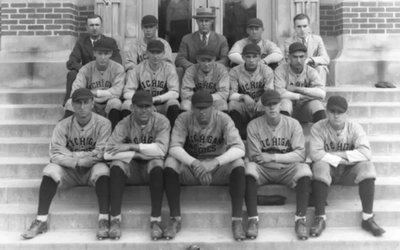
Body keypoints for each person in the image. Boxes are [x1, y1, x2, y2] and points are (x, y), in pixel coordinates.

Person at [21, 89, 112, 240]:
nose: (82, 107)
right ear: (72, 105)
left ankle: (103, 219)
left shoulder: (104, 123)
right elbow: (54, 154)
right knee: (50, 170)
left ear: (92, 103)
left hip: (92, 170)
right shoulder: (63, 125)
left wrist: (73, 156)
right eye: (78, 103)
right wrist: (77, 161)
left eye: (86, 102)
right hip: (70, 171)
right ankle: (41, 220)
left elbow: (102, 153)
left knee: (103, 170)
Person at [164, 90, 247, 241]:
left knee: (238, 163)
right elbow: (174, 147)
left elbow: (240, 148)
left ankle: (237, 221)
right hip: (192, 167)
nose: (202, 111)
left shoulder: (223, 118)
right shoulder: (183, 118)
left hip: (216, 169)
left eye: (206, 108)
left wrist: (214, 163)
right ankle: (175, 219)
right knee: (170, 162)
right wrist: (195, 163)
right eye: (198, 108)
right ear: (192, 108)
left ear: (213, 107)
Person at [309, 95, 386, 238]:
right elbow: (314, 154)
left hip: (348, 173)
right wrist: (345, 158)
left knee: (367, 167)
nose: (336, 115)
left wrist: (336, 155)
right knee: (319, 165)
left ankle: (367, 218)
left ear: (347, 114)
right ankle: (320, 218)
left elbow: (366, 153)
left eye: (340, 112)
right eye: (332, 111)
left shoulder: (354, 128)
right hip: (329, 172)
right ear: (326, 112)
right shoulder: (318, 127)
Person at [244, 89, 312, 240]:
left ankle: (300, 220)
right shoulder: (254, 125)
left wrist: (272, 157)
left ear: (281, 105)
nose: (272, 107)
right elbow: (256, 156)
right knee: (249, 169)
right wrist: (283, 158)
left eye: (275, 104)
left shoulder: (293, 124)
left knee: (304, 170)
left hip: (286, 169)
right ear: (263, 107)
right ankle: (252, 220)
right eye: (268, 105)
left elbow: (300, 154)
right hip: (264, 169)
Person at [104, 90, 171, 240]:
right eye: (140, 106)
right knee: (116, 164)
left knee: (157, 163)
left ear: (153, 107)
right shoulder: (124, 122)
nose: (144, 110)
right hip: (132, 167)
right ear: (132, 107)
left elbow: (161, 150)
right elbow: (107, 152)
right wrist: (137, 155)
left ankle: (156, 221)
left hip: (150, 168)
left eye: (147, 106)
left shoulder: (162, 121)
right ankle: (115, 219)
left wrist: (131, 147)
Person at [64, 39, 125, 130]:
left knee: (116, 103)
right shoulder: (85, 69)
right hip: (90, 101)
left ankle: (112, 137)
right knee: (70, 103)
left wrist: (95, 93)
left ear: (111, 54)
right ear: (94, 53)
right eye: (100, 53)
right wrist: (97, 96)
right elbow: (75, 92)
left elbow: (117, 91)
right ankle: (69, 135)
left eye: (106, 54)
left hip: (108, 101)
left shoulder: (118, 68)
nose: (103, 57)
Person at [64, 14, 122, 105]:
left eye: (97, 25)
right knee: (72, 74)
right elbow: (71, 62)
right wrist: (87, 70)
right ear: (86, 27)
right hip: (87, 77)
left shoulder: (110, 42)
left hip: (106, 77)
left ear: (101, 26)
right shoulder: (81, 42)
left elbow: (118, 62)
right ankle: (69, 105)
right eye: (91, 25)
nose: (95, 28)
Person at [122, 40, 180, 128]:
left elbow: (175, 93)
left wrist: (155, 99)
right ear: (147, 53)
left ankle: (172, 136)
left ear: (164, 53)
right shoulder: (138, 68)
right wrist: (144, 101)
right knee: (126, 104)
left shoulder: (169, 68)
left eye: (158, 52)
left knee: (173, 103)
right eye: (152, 52)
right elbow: (127, 93)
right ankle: (128, 136)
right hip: (142, 105)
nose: (155, 56)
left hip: (162, 104)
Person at [228, 43, 274, 139]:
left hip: (261, 105)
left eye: (254, 56)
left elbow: (269, 91)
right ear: (243, 57)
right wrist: (243, 96)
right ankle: (238, 136)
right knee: (233, 104)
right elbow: (231, 94)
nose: (251, 60)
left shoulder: (266, 70)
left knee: (272, 105)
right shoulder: (235, 71)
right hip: (245, 105)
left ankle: (267, 136)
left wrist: (261, 101)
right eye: (248, 57)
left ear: (260, 57)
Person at [274, 42, 326, 123]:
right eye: (295, 57)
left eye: (301, 57)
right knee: (285, 102)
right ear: (289, 57)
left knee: (317, 104)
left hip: (304, 110)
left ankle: (322, 134)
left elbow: (322, 93)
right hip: (287, 109)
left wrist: (297, 89)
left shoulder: (310, 71)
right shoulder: (281, 70)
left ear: (306, 57)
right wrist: (302, 97)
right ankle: (283, 134)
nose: (298, 60)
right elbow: (280, 93)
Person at [175, 7, 229, 72]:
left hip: (214, 74)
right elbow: (180, 59)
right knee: (179, 71)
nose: (204, 24)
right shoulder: (187, 39)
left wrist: (209, 67)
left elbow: (225, 59)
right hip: (192, 73)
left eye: (206, 21)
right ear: (197, 21)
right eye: (201, 21)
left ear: (212, 21)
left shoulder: (221, 39)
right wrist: (195, 68)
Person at [284, 13, 330, 85]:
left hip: (314, 69)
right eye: (299, 27)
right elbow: (289, 61)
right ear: (294, 28)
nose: (302, 29)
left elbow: (325, 59)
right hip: (297, 71)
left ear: (309, 26)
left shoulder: (317, 39)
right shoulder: (289, 42)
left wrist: (310, 60)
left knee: (321, 68)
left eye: (305, 26)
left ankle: (319, 93)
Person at [180, 46, 229, 112]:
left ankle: (219, 122)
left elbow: (224, 93)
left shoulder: (221, 70)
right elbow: (185, 93)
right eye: (203, 61)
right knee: (185, 104)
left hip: (214, 101)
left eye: (209, 60)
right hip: (195, 101)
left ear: (214, 59)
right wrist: (200, 100)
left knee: (222, 104)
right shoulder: (191, 70)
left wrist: (207, 99)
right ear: (197, 59)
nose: (206, 64)